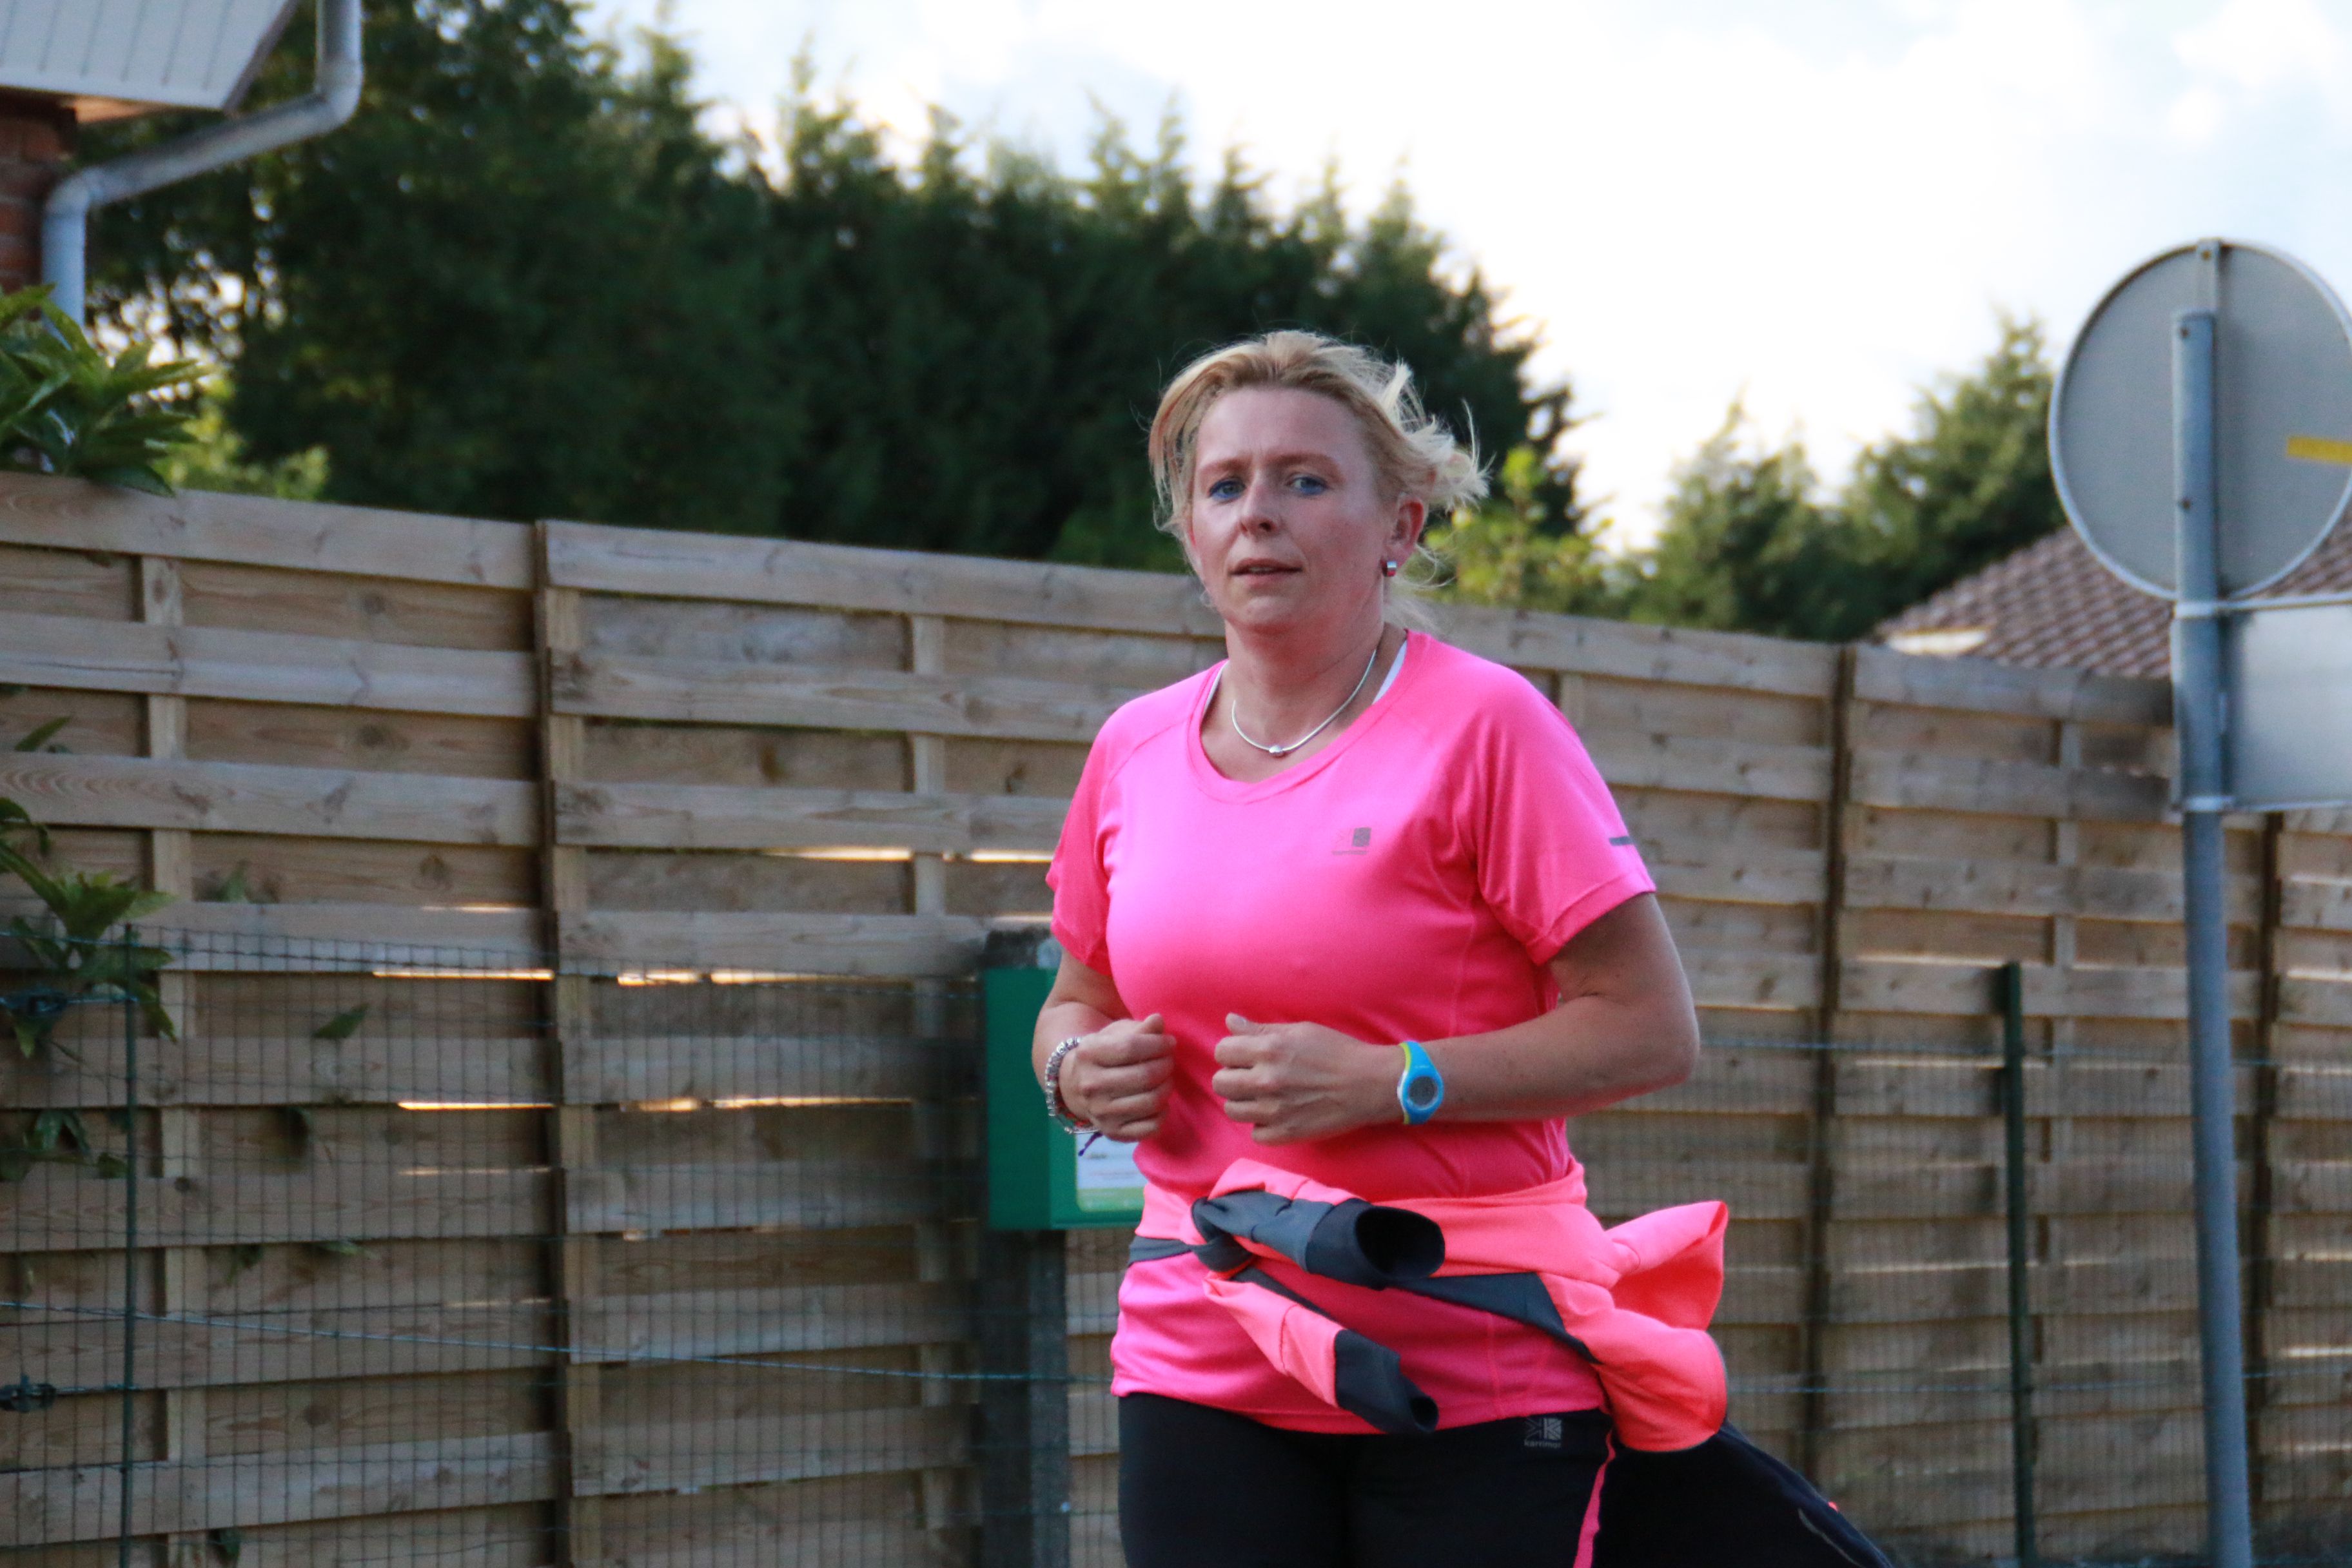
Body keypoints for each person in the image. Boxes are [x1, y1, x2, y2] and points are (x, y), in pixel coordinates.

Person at [1035, 331, 1888, 1568]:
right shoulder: (1133, 748)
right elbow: (1075, 996)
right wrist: (1074, 1072)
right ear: (1191, 532)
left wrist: (1395, 1081)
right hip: (1203, 1349)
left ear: (1401, 525)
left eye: (1305, 480)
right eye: (1225, 485)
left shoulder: (1488, 726)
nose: (1259, 513)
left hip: (1473, 1353)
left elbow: (1651, 1029)